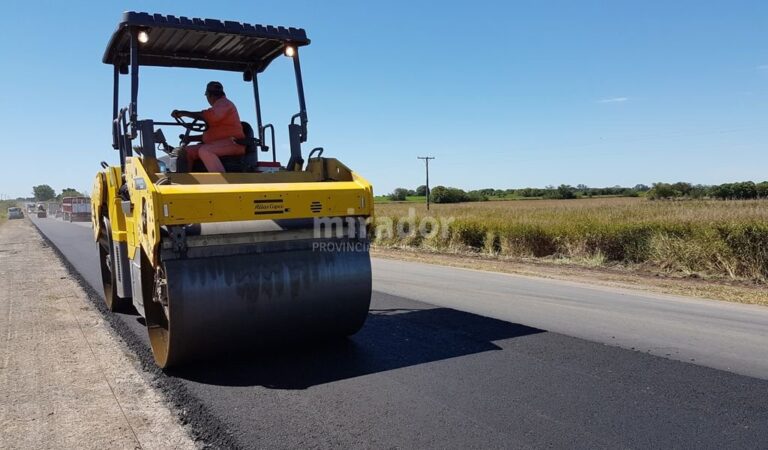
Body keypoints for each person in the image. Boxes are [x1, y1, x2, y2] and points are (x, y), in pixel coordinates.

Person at [171, 81, 245, 172]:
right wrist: (190, 138)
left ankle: (221, 183)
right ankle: (186, 182)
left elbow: (210, 116)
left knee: (205, 150)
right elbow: (212, 136)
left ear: (209, 95)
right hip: (219, 144)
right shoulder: (218, 107)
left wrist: (184, 113)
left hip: (234, 143)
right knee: (186, 151)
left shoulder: (224, 103)